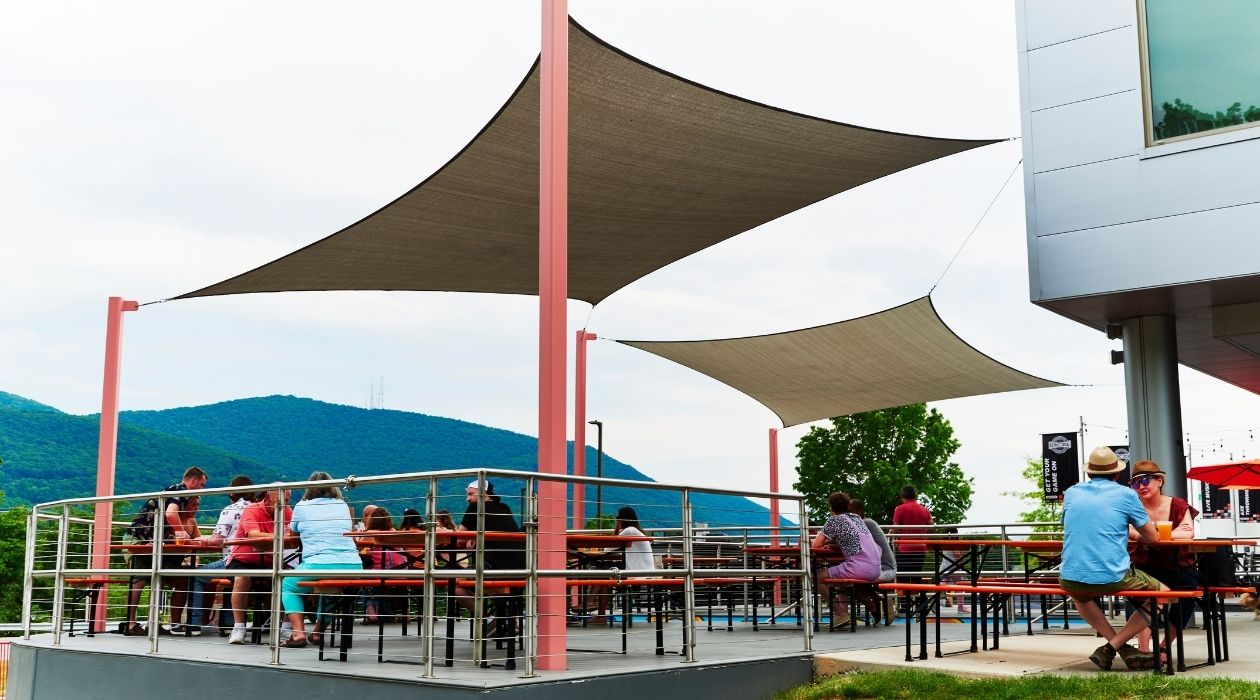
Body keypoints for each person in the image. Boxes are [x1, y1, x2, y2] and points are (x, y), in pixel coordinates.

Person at [1060, 446, 1169, 671]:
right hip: (1112, 575)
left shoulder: (1072, 492)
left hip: (1069, 575)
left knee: (1081, 595)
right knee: (1165, 596)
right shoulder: (1127, 494)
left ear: (1089, 472)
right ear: (1117, 474)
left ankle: (1117, 649)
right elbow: (1152, 538)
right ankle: (1114, 647)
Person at [121, 466, 209, 636]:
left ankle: (152, 623)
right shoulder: (180, 491)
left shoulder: (178, 494)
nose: (202, 489)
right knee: (139, 578)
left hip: (151, 542)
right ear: (194, 480)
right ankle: (130, 624)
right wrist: (180, 531)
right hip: (139, 538)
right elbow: (170, 514)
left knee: (158, 578)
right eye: (202, 485)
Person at [279, 471, 362, 648]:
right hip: (353, 564)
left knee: (287, 586)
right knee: (330, 588)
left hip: (319, 562)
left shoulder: (302, 506)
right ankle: (317, 633)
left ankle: (298, 633)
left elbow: (293, 532)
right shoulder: (342, 504)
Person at [1127, 460, 1198, 659]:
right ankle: (1143, 650)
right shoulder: (1133, 506)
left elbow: (1188, 532)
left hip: (1178, 563)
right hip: (1145, 563)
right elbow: (1127, 531)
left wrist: (1149, 534)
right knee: (1141, 599)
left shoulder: (1177, 505)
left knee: (1187, 595)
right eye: (1135, 483)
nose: (1140, 487)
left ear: (1159, 481)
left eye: (1145, 481)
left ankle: (1165, 646)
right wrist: (1164, 533)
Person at [225, 487, 293, 645]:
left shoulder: (287, 512)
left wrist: (278, 538)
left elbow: (294, 537)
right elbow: (253, 536)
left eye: (287, 500)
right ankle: (239, 627)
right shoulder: (252, 510)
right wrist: (282, 537)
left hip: (272, 561)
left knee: (292, 579)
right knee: (242, 577)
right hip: (242, 561)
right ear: (268, 497)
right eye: (280, 501)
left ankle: (285, 627)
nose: (283, 505)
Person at [188, 475, 255, 634]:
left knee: (196, 575)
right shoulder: (259, 508)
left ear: (232, 494)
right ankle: (227, 623)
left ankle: (194, 624)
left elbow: (216, 541)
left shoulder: (231, 510)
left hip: (235, 559)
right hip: (260, 561)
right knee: (230, 578)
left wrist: (201, 539)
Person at [811, 491, 881, 627]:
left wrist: (826, 542)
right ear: (848, 505)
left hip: (860, 567)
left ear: (831, 507)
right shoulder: (856, 518)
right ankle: (873, 606)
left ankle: (841, 614)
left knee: (817, 577)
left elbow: (816, 544)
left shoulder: (834, 520)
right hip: (876, 566)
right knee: (840, 580)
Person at [455, 480, 524, 616]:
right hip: (521, 569)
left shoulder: (475, 508)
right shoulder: (504, 508)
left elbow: (459, 539)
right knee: (492, 587)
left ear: (483, 494)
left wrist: (472, 536)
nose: (467, 498)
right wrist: (475, 536)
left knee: (454, 582)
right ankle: (507, 618)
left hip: (495, 567)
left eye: (471, 494)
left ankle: (489, 618)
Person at [849, 499, 897, 624]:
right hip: (879, 567)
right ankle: (879, 602)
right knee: (852, 583)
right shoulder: (865, 523)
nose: (848, 515)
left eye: (850, 512)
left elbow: (851, 543)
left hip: (885, 569)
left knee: (851, 583)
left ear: (859, 511)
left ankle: (875, 606)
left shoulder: (866, 524)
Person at [890, 485, 933, 614]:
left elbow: (895, 528)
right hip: (920, 548)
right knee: (916, 576)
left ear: (902, 496)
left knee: (903, 577)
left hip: (905, 548)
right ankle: (920, 605)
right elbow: (931, 527)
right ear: (915, 495)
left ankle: (905, 605)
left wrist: (890, 534)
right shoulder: (924, 510)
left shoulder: (900, 509)